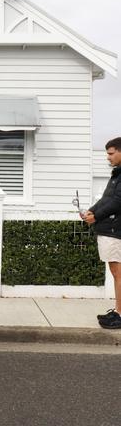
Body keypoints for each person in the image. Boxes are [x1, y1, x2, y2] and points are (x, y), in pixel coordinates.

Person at [82, 137, 121, 329]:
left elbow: (117, 202)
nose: (108, 157)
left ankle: (120, 314)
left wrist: (95, 216)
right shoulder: (117, 174)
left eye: (111, 153)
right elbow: (107, 198)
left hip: (116, 230)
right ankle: (117, 310)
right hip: (111, 229)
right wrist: (92, 210)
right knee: (116, 272)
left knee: (118, 273)